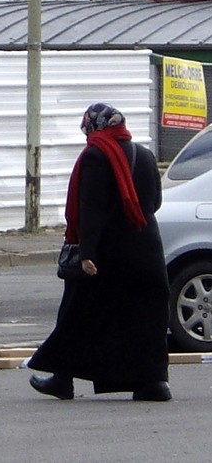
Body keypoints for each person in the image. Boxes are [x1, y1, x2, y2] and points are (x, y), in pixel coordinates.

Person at [27, 103, 171, 402]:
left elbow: (90, 209)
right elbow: (155, 201)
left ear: (93, 126)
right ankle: (154, 383)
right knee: (145, 316)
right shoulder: (144, 155)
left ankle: (62, 379)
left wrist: (88, 253)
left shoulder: (95, 155)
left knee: (77, 312)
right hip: (146, 248)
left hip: (108, 252)